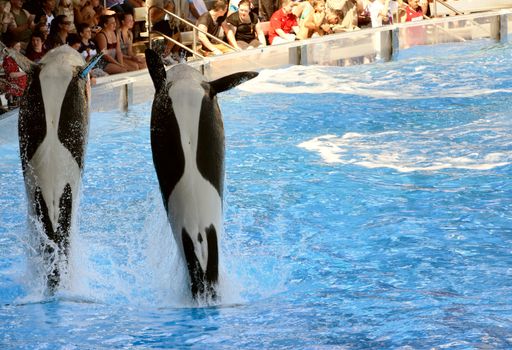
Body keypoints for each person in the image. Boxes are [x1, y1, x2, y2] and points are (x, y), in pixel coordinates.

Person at [1, 35, 27, 107]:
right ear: (11, 48)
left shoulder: (17, 58)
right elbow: (11, 74)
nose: (19, 49)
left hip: (21, 89)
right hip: (14, 90)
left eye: (19, 47)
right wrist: (25, 72)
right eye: (17, 47)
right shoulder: (8, 59)